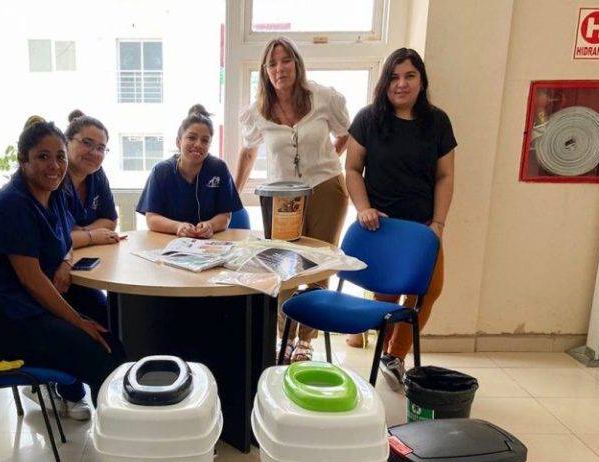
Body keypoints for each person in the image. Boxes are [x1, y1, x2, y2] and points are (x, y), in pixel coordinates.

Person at [0, 117, 125, 420]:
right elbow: (32, 281)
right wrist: (79, 323)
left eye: (60, 157)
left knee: (113, 326)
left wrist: (65, 262)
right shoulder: (12, 205)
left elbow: (66, 238)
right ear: (22, 159)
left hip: (33, 303)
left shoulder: (53, 194)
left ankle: (126, 418)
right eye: (43, 156)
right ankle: (119, 432)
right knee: (98, 351)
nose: (54, 166)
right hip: (4, 321)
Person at [344, 47, 456, 391]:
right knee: (387, 297)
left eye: (409, 76)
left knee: (429, 292)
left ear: (422, 81)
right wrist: (363, 208)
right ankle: (386, 354)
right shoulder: (368, 119)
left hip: (423, 228)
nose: (401, 84)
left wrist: (438, 224)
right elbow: (352, 169)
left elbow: (445, 176)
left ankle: (395, 355)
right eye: (394, 77)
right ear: (385, 82)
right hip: (382, 227)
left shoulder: (437, 122)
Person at [235, 36, 351, 362]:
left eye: (285, 60)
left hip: (326, 189)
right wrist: (233, 194)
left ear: (297, 64)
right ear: (265, 71)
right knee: (284, 265)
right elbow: (247, 152)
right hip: (281, 196)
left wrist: (328, 161)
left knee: (318, 266)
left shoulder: (323, 97)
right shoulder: (258, 111)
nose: (279, 68)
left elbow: (345, 133)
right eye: (272, 63)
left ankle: (306, 341)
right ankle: (284, 337)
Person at [136, 104, 242, 238]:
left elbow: (225, 216)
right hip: (169, 242)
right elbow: (151, 218)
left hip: (208, 243)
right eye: (191, 138)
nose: (198, 144)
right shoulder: (161, 172)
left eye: (205, 140)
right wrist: (178, 227)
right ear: (178, 142)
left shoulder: (219, 169)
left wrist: (210, 225)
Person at [60, 110, 121, 328]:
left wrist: (79, 234)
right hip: (54, 276)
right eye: (87, 143)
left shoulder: (96, 174)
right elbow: (57, 239)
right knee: (106, 321)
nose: (94, 152)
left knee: (112, 317)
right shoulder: (54, 178)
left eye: (101, 148)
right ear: (66, 142)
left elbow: (110, 220)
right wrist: (92, 236)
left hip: (77, 265)